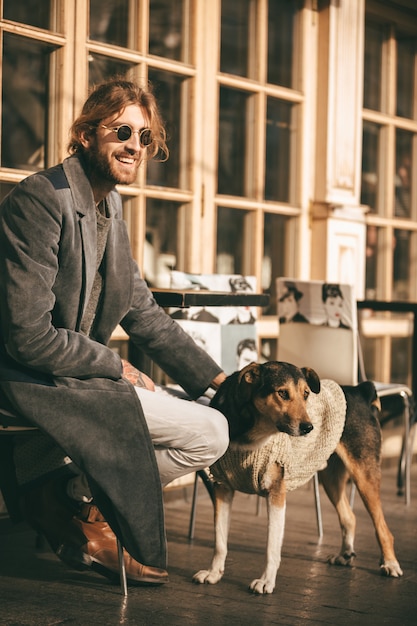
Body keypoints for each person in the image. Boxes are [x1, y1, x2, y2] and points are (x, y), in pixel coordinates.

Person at [0, 79, 229, 586]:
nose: (134, 145)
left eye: (145, 137)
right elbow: (27, 334)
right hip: (32, 377)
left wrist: (223, 385)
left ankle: (73, 496)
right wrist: (115, 366)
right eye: (121, 130)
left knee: (215, 420)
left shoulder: (110, 206)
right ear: (86, 135)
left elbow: (143, 311)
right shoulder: (42, 198)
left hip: (77, 377)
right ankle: (74, 498)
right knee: (210, 432)